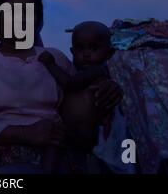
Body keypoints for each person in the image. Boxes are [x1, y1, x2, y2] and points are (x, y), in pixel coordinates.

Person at [0, 0, 121, 173]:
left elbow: (80, 92)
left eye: (29, 10)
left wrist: (107, 89)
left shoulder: (53, 58)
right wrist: (25, 133)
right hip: (5, 159)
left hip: (60, 150)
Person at [38, 21, 121, 172]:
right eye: (80, 48)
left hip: (88, 135)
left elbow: (69, 83)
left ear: (109, 53)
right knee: (53, 145)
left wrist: (50, 64)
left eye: (94, 48)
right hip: (69, 133)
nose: (86, 54)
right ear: (72, 51)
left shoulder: (98, 72)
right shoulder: (76, 71)